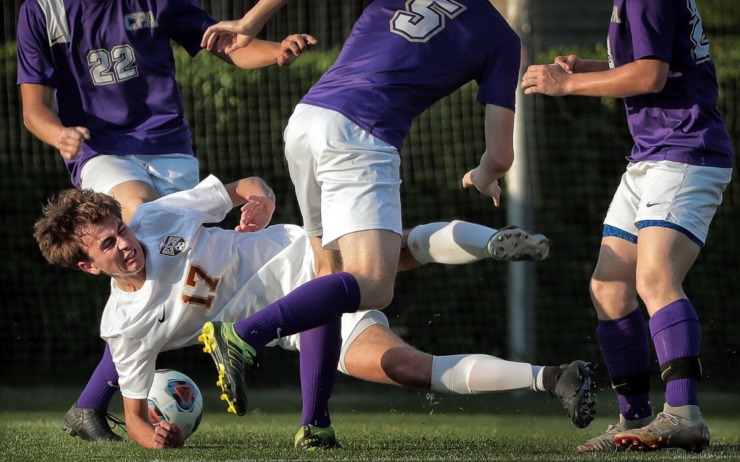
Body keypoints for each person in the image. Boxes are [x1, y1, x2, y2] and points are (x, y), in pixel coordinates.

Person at [34, 174, 595, 449]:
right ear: (87, 267)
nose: (125, 244)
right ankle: (551, 378)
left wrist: (261, 200)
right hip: (294, 331)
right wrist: (155, 437)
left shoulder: (158, 218)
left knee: (392, 254)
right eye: (106, 246)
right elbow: (133, 413)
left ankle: (494, 242)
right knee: (404, 367)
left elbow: (244, 186)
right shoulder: (124, 328)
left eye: (120, 229)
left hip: (302, 253)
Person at [199, 1, 530, 431]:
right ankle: (242, 336)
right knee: (373, 285)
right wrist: (483, 175)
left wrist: (249, 21)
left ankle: (315, 424)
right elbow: (501, 156)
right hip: (363, 134)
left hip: (308, 118)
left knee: (327, 273)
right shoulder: (501, 37)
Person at [16, 0, 315, 440]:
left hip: (171, 148)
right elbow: (32, 108)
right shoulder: (43, 10)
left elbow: (224, 42)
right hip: (102, 152)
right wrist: (59, 134)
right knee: (140, 218)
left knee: (168, 275)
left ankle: (89, 406)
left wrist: (274, 52)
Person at [521, 0, 733, 454]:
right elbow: (648, 63)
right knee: (609, 287)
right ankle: (633, 418)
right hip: (651, 157)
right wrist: (591, 67)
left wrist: (570, 83)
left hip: (685, 153)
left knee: (655, 278)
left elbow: (651, 75)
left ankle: (683, 415)